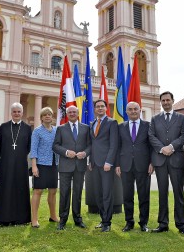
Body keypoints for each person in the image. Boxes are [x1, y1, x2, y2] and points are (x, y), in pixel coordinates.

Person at [148, 91, 184, 235]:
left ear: (172, 100)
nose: (165, 102)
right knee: (162, 193)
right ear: (161, 102)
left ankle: (181, 225)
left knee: (178, 193)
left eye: (168, 100)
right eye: (163, 100)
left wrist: (171, 147)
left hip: (176, 160)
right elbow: (151, 135)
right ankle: (163, 223)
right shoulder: (155, 119)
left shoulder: (182, 118)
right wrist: (161, 148)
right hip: (160, 160)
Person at [115, 102, 153, 232]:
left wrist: (151, 163)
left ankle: (143, 223)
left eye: (135, 109)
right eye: (130, 109)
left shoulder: (148, 126)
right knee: (127, 196)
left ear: (140, 110)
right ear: (126, 112)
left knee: (144, 195)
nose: (133, 111)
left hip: (143, 166)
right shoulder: (120, 127)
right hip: (125, 166)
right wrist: (117, 164)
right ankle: (129, 222)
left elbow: (151, 146)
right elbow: (117, 146)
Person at [0, 102, 32, 226]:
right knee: (5, 190)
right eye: (14, 111)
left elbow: (29, 147)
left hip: (21, 165)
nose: (16, 113)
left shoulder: (27, 128)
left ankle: (21, 219)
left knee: (20, 190)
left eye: (19, 111)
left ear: (22, 113)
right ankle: (3, 219)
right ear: (11, 113)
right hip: (5, 164)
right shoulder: (3, 127)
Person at [53, 106, 91, 230]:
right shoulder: (61, 128)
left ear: (78, 113)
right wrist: (65, 152)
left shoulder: (86, 128)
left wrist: (85, 153)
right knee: (64, 193)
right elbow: (55, 146)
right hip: (65, 166)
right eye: (70, 112)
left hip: (80, 166)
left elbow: (90, 146)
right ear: (67, 114)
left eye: (74, 112)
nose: (72, 114)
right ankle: (62, 220)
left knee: (78, 193)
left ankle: (77, 218)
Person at [89, 99, 118, 232]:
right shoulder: (92, 123)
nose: (100, 108)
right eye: (97, 106)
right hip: (94, 164)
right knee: (98, 194)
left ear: (106, 108)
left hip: (106, 164)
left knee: (107, 194)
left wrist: (109, 162)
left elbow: (113, 144)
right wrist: (90, 161)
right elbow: (92, 144)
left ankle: (107, 222)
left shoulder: (112, 123)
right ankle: (102, 219)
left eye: (102, 106)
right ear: (95, 109)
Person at [30, 107, 59, 228]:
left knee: (53, 191)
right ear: (41, 117)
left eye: (50, 114)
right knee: (38, 191)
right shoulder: (37, 131)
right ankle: (34, 219)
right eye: (45, 115)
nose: (48, 116)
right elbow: (33, 149)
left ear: (52, 117)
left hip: (54, 164)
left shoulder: (56, 130)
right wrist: (34, 166)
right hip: (41, 164)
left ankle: (53, 216)